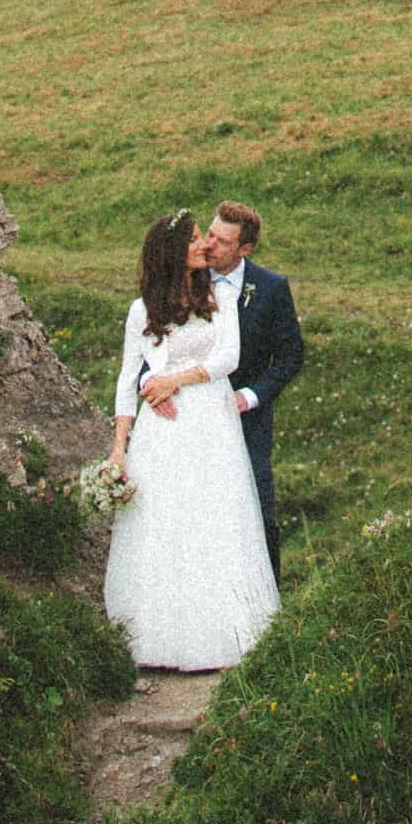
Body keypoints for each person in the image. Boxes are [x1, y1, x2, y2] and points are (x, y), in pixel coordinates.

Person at [103, 210, 278, 672]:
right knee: (165, 524)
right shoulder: (142, 309)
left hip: (210, 422)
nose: (205, 244)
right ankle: (161, 639)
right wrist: (119, 447)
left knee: (215, 521)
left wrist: (172, 382)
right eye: (196, 238)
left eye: (206, 237)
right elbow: (127, 378)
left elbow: (228, 357)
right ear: (171, 251)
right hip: (164, 430)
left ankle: (223, 636)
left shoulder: (218, 297)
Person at [150, 200, 304, 582]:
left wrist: (249, 397)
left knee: (255, 507)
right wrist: (152, 385)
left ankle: (268, 602)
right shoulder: (187, 280)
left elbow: (290, 356)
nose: (209, 245)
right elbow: (151, 345)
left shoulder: (270, 288)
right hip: (187, 413)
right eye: (211, 235)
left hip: (245, 419)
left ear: (245, 249)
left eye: (222, 241)